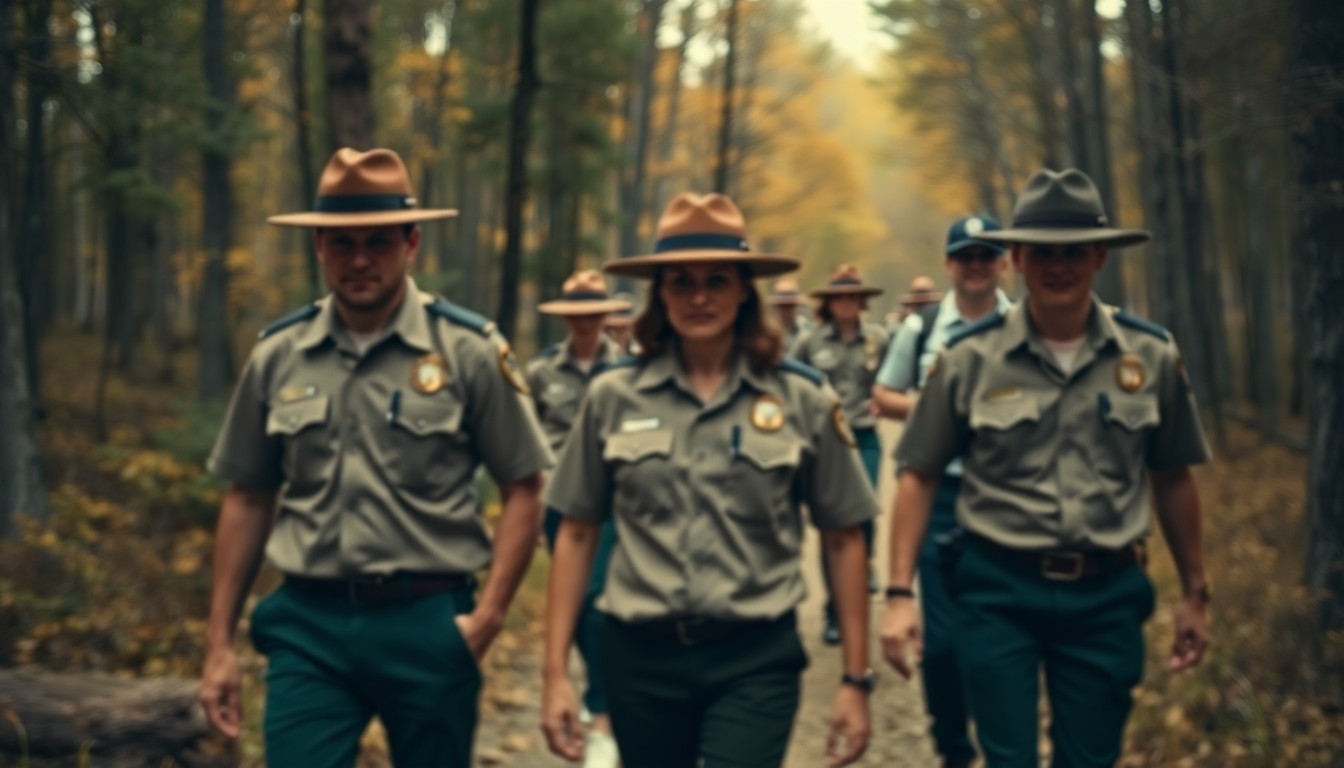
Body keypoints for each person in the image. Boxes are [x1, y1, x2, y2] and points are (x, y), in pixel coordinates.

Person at [197, 148, 554, 767]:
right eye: (341, 242)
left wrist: (489, 616)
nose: (359, 259)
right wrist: (218, 643)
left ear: (412, 243)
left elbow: (524, 486)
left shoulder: (467, 350)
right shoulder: (280, 354)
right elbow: (249, 496)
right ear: (319, 248)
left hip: (428, 623)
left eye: (379, 242)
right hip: (308, 627)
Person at [880, 169, 1212, 768]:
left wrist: (1195, 590)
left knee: (1090, 758)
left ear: (1100, 256)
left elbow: (1172, 476)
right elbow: (919, 473)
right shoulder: (967, 359)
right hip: (998, 590)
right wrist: (901, 594)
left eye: (1073, 252)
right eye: (1043, 253)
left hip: (1106, 594)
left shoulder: (1151, 356)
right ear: (1019, 259)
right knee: (1008, 758)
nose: (1059, 266)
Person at [540, 193, 877, 768]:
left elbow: (845, 536)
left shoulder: (800, 397)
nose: (699, 296)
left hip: (755, 657)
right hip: (639, 658)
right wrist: (555, 677)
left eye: (717, 280)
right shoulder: (612, 397)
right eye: (681, 281)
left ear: (745, 288)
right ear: (660, 292)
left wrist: (854, 677)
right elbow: (575, 532)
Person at [869, 215, 1013, 768]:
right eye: (965, 256)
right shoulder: (921, 329)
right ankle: (953, 746)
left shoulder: (1023, 325)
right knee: (945, 643)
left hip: (1005, 497)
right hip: (938, 497)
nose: (976, 266)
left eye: (986, 255)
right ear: (949, 264)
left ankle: (1005, 738)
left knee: (1001, 634)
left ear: (1002, 263)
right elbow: (883, 394)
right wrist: (942, 412)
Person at [526, 269, 631, 768]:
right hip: (559, 504)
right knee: (581, 601)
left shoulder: (630, 372)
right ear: (566, 318)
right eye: (578, 315)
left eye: (594, 314)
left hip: (615, 506)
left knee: (601, 600)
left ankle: (604, 712)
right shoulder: (541, 372)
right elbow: (524, 440)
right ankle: (605, 701)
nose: (586, 323)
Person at [789, 264, 890, 645]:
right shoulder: (811, 343)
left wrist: (884, 398)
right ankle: (834, 611)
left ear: (862, 301)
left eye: (853, 296)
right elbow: (792, 382)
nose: (847, 303)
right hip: (825, 440)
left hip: (863, 436)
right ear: (829, 303)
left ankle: (864, 573)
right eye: (840, 297)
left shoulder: (878, 339)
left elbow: (896, 378)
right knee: (832, 523)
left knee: (863, 514)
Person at [767, 276, 813, 349]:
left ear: (796, 305)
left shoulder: (808, 330)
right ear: (776, 306)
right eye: (782, 305)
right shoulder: (767, 331)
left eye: (789, 305)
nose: (786, 309)